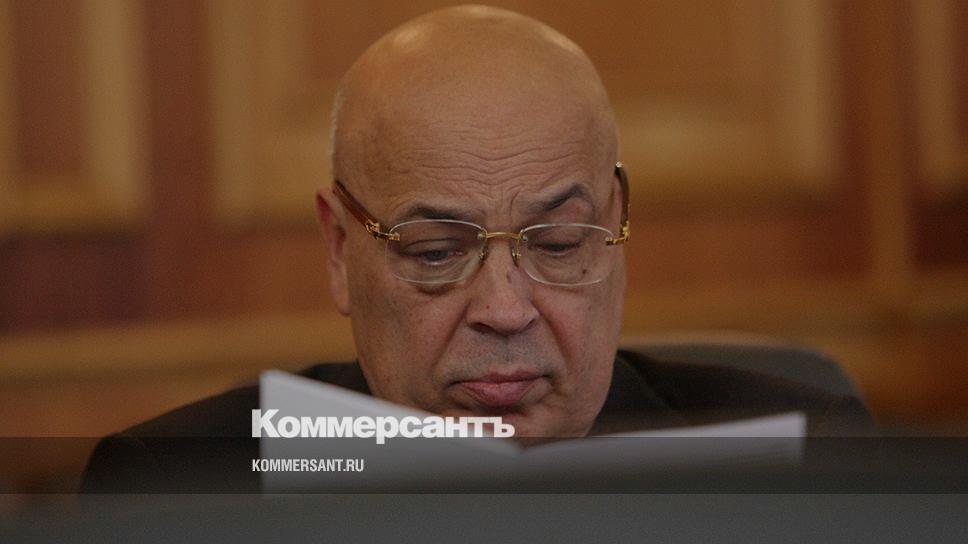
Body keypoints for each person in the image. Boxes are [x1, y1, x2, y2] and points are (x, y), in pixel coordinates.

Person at [81, 5, 871, 493]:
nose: (504, 310)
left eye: (557, 243)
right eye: (435, 252)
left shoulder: (809, 449)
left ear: (615, 226)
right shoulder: (178, 484)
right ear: (339, 249)